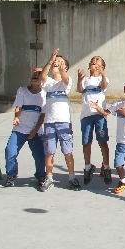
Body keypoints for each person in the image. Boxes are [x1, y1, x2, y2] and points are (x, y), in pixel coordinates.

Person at [38, 48, 80, 191]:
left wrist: (62, 70)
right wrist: (50, 60)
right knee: (49, 152)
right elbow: (42, 76)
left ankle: (72, 177)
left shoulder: (66, 82)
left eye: (60, 62)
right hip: (49, 122)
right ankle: (49, 178)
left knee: (67, 151)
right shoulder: (48, 82)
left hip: (63, 122)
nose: (57, 63)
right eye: (56, 62)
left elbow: (66, 78)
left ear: (66, 67)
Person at [4, 67, 46, 187]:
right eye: (34, 73)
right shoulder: (22, 90)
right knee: (10, 152)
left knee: (39, 156)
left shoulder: (44, 94)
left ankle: (40, 176)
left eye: (39, 74)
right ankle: (11, 175)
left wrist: (34, 131)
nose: (35, 75)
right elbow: (18, 107)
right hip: (20, 130)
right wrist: (16, 117)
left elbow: (43, 116)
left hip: (36, 132)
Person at [77, 55, 111, 186]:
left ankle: (107, 167)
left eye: (97, 60)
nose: (94, 60)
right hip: (86, 116)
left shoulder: (103, 78)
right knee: (86, 142)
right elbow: (80, 90)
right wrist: (80, 79)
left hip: (99, 115)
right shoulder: (85, 79)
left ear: (101, 66)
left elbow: (104, 85)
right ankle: (87, 167)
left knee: (102, 142)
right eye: (92, 59)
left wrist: (102, 74)